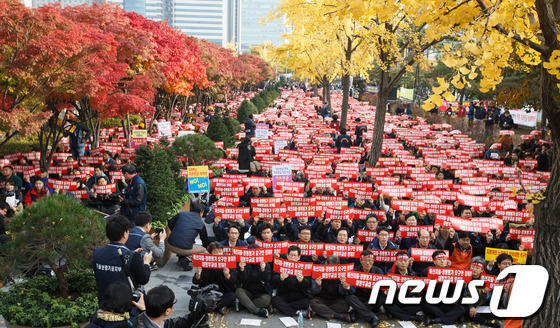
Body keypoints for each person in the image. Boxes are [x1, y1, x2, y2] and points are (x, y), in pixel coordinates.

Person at [93, 215, 152, 303]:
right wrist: (146, 263)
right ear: (125, 234)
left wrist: (131, 253)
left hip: (103, 301)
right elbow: (143, 279)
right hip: (124, 304)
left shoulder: (97, 251)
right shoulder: (132, 256)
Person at [420, 250, 466, 325]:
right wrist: (431, 286)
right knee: (428, 307)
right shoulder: (426, 272)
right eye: (439, 259)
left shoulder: (451, 272)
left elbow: (453, 292)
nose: (442, 261)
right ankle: (454, 317)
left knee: (461, 309)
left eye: (444, 259)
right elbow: (422, 291)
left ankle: (436, 320)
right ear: (434, 261)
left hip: (445, 302)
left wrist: (461, 286)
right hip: (431, 302)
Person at [193, 242, 238, 315]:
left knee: (232, 296)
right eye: (215, 252)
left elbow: (235, 281)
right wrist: (198, 275)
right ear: (210, 254)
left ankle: (210, 307)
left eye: (220, 252)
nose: (218, 254)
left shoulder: (228, 262)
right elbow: (195, 282)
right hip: (208, 291)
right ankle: (218, 307)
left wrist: (228, 275)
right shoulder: (204, 263)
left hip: (223, 291)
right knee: (199, 297)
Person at [163, 203, 208, 271]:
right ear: (201, 213)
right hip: (183, 248)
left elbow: (170, 222)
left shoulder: (181, 214)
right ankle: (186, 259)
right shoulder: (201, 223)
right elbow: (204, 239)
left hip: (169, 244)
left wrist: (175, 231)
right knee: (204, 250)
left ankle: (182, 257)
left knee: (187, 244)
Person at [310, 255, 355, 322]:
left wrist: (343, 284)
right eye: (329, 266)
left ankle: (319, 312)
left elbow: (343, 293)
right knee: (313, 303)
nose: (331, 269)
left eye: (333, 267)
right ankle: (338, 316)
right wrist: (318, 285)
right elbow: (313, 291)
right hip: (322, 298)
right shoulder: (317, 270)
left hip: (336, 299)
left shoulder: (343, 272)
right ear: (325, 263)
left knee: (345, 305)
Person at [271, 245, 312, 317]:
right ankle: (297, 312)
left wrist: (302, 280)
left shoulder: (304, 267)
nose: (292, 257)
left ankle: (282, 308)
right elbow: (273, 280)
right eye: (291, 255)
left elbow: (309, 284)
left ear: (299, 257)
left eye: (295, 255)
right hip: (284, 295)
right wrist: (280, 278)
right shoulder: (281, 265)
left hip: (299, 296)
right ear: (287, 255)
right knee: (274, 300)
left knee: (306, 302)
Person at [344, 250, 383, 327]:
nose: (367, 263)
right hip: (359, 297)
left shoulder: (378, 271)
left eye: (370, 261)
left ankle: (356, 312)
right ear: (361, 260)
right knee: (349, 297)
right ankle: (372, 317)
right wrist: (348, 288)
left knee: (383, 297)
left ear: (373, 261)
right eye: (365, 260)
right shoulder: (355, 271)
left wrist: (385, 291)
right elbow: (353, 290)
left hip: (372, 298)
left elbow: (382, 289)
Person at [235, 244, 273, 318]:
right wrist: (242, 270)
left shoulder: (265, 264)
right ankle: (257, 311)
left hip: (262, 293)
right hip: (248, 291)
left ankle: (244, 304)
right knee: (238, 291)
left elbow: (267, 279)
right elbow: (241, 280)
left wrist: (263, 270)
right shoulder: (244, 263)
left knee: (266, 300)